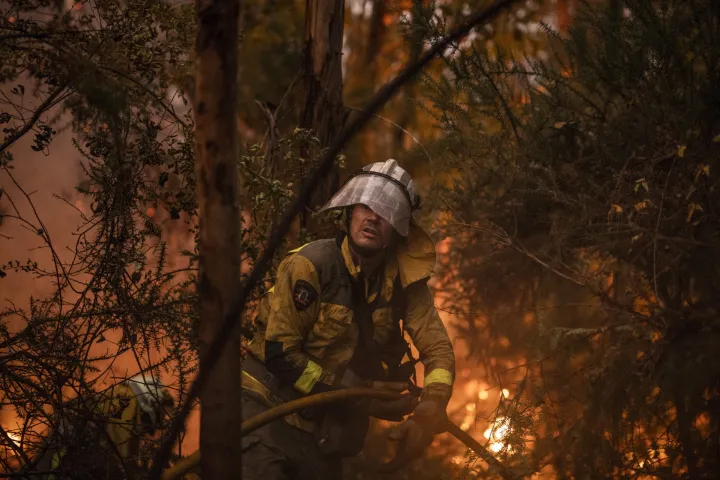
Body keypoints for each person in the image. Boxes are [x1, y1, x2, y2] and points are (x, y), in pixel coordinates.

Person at [242, 159, 455, 479]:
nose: (372, 217)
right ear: (349, 213)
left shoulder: (405, 287)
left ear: (398, 231)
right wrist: (360, 393)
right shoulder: (310, 265)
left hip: (320, 435)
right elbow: (281, 354)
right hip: (264, 412)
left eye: (386, 212)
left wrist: (430, 408)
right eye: (365, 206)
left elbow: (438, 350)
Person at [30, 374, 174, 480]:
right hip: (66, 464)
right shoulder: (125, 398)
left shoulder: (114, 398)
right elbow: (123, 458)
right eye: (147, 422)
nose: (143, 432)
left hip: (57, 462)